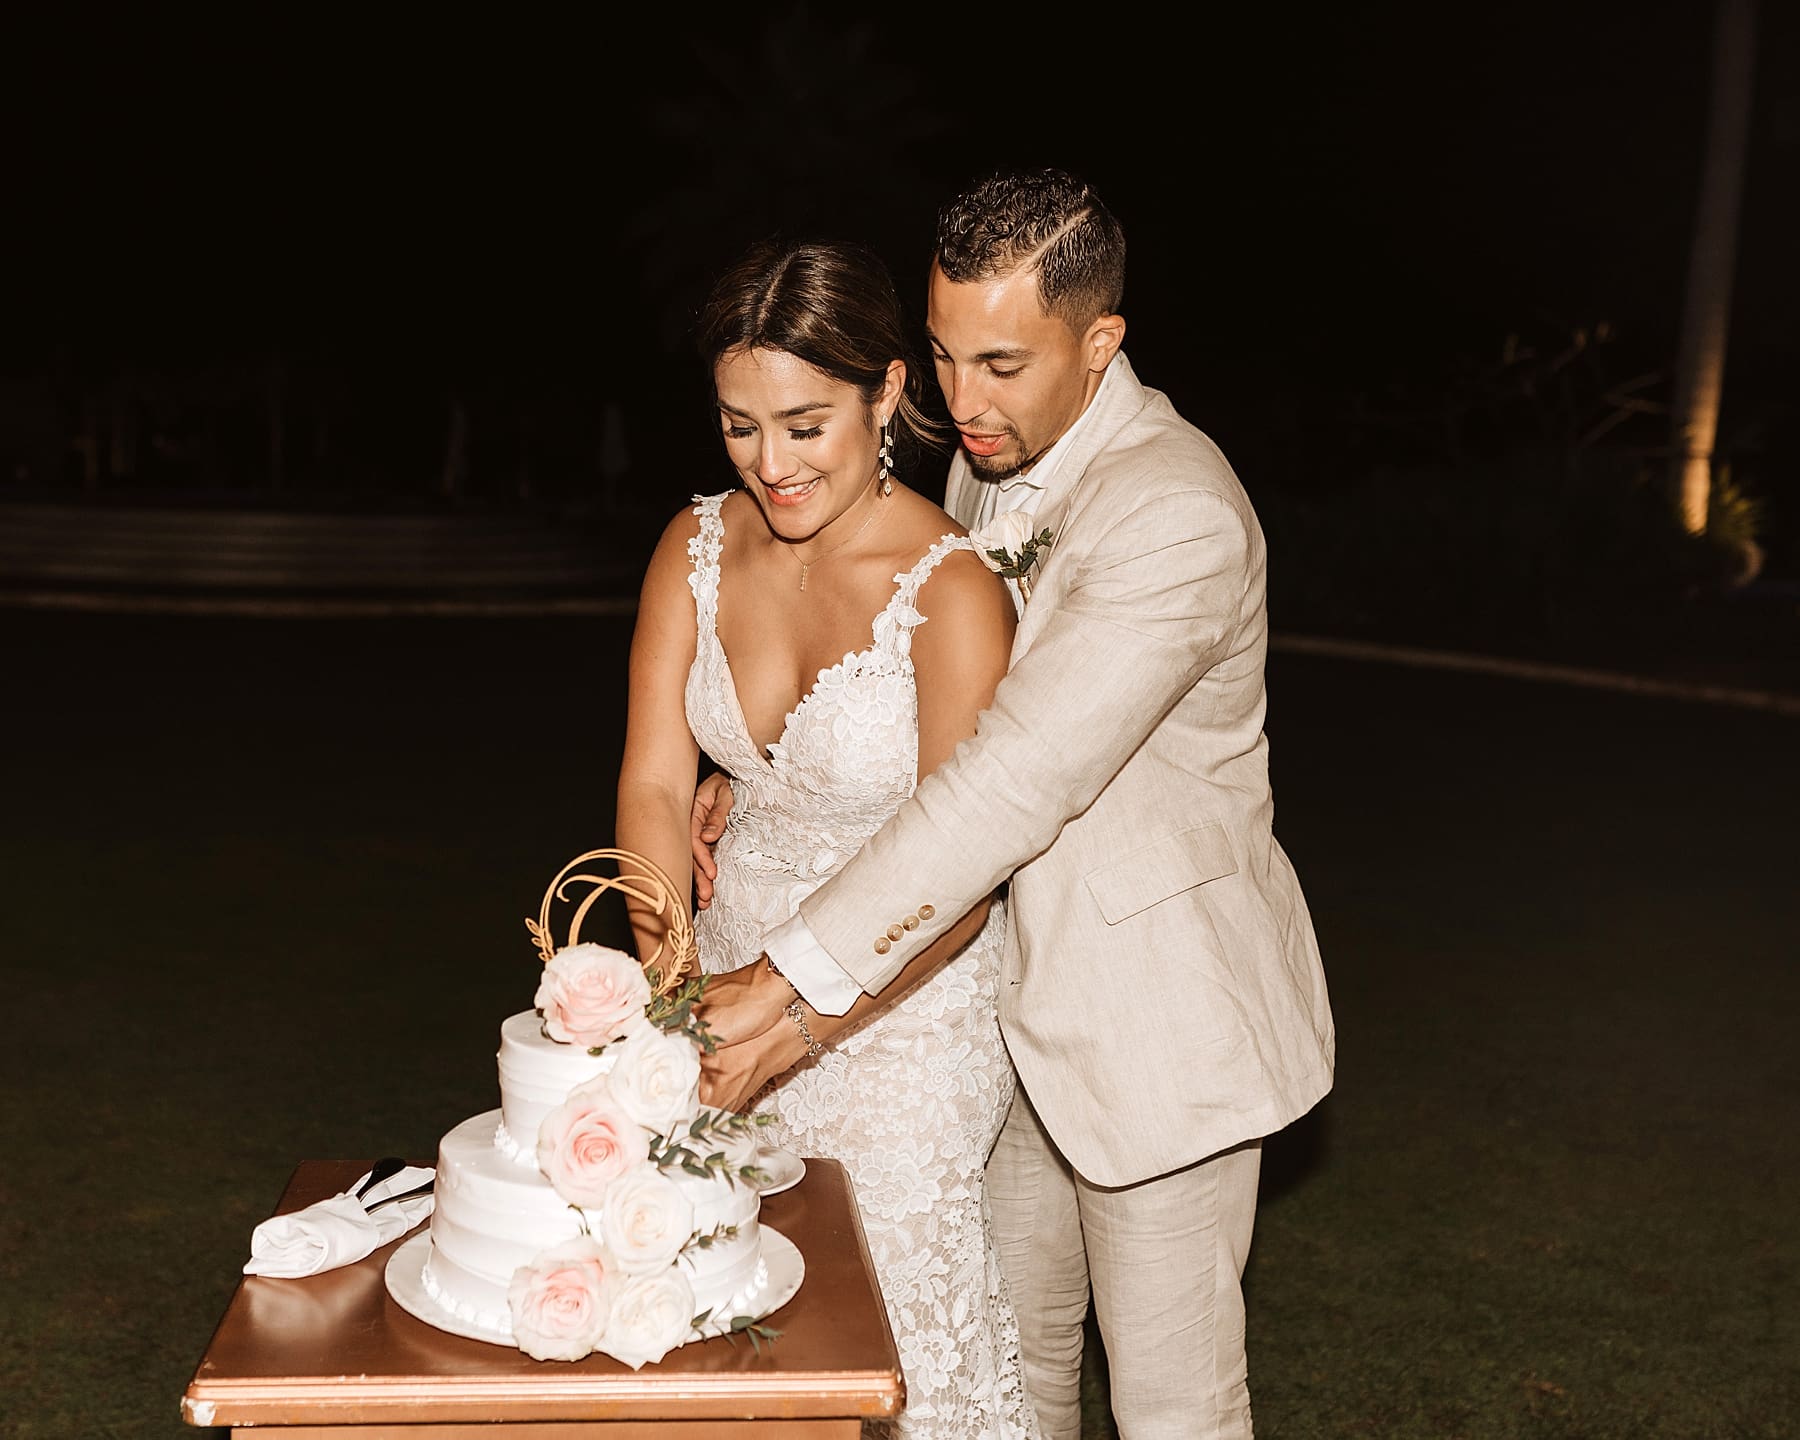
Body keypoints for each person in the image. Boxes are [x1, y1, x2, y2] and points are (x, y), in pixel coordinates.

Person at [692, 168, 1336, 1440]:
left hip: (1156, 1022)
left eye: (999, 363)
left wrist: (782, 982)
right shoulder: (993, 461)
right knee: (1017, 1380)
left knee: (1173, 1409)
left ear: (1101, 343)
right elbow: (919, 666)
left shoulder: (1176, 513)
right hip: (990, 1013)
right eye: (939, 357)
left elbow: (1017, 772)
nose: (960, 404)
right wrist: (765, 764)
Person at [613, 235, 1040, 1440]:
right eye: (740, 425)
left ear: (889, 392)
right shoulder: (690, 548)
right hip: (722, 972)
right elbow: (653, 784)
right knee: (722, 1341)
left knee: (892, 1335)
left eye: (807, 424)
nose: (772, 463)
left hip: (904, 1009)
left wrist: (798, 1025)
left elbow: (962, 876)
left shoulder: (952, 592)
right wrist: (669, 988)